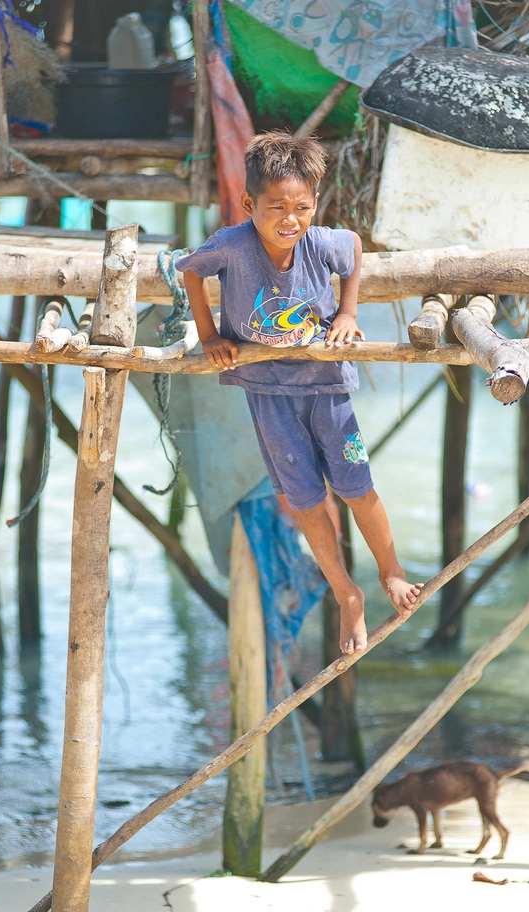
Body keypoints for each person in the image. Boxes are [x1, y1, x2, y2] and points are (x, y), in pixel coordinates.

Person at [177, 131, 422, 655]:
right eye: (277, 207)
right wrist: (209, 335)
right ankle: (345, 593)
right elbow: (190, 273)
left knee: (357, 488)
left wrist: (349, 312)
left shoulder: (318, 242)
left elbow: (354, 247)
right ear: (249, 204)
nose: (291, 219)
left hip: (328, 386)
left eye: (303, 208)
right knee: (306, 500)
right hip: (268, 392)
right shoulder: (232, 244)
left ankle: (390, 572)